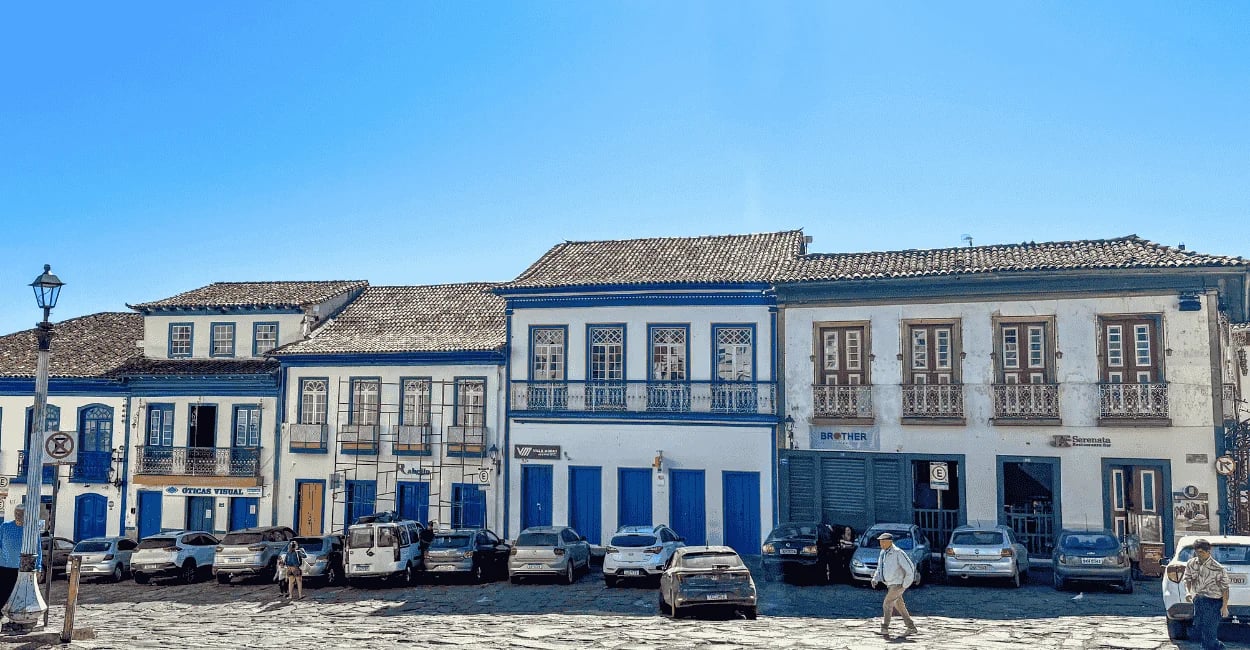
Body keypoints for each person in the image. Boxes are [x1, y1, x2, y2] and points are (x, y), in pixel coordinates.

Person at [1183, 538, 1229, 650]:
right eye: (1197, 552)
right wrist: (1188, 592)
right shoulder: (1192, 563)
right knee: (1199, 627)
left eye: (1202, 552)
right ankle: (1217, 646)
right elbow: (1187, 579)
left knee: (1209, 630)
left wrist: (1224, 607)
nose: (1199, 555)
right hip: (1199, 600)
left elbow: (1225, 589)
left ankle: (1213, 647)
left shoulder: (1218, 568)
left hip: (1214, 602)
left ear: (1209, 551)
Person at [870, 532, 918, 639]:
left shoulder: (898, 553)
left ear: (890, 542)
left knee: (887, 603)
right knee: (900, 605)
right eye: (880, 541)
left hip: (898, 584)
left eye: (883, 541)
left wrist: (905, 584)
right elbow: (880, 568)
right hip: (890, 584)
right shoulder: (883, 553)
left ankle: (884, 628)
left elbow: (910, 568)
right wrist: (875, 578)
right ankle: (911, 627)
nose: (881, 544)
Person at [0, 505, 27, 626]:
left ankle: (16, 619)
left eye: (21, 513)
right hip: (4, 566)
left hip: (21, 568)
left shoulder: (29, 530)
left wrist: (38, 567)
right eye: (16, 512)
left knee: (18, 595)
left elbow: (37, 548)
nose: (18, 515)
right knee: (3, 593)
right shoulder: (5, 527)